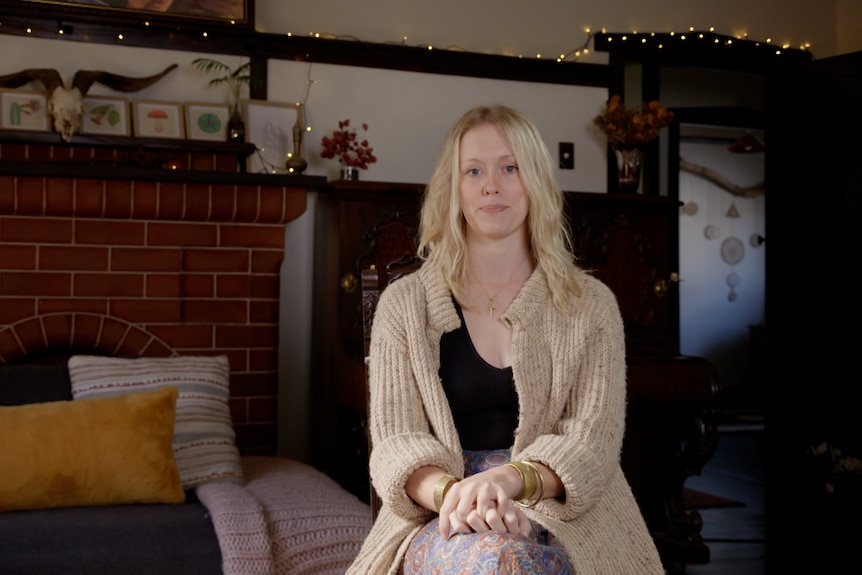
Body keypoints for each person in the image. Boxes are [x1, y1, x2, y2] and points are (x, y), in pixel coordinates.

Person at [346, 105, 664, 574]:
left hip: (562, 504)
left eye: (509, 168)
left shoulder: (591, 305)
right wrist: (459, 493)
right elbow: (397, 444)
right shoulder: (405, 304)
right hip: (443, 508)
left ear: (534, 180)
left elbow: (591, 442)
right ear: (453, 189)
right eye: (473, 170)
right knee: (500, 561)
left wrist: (510, 479)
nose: (490, 185)